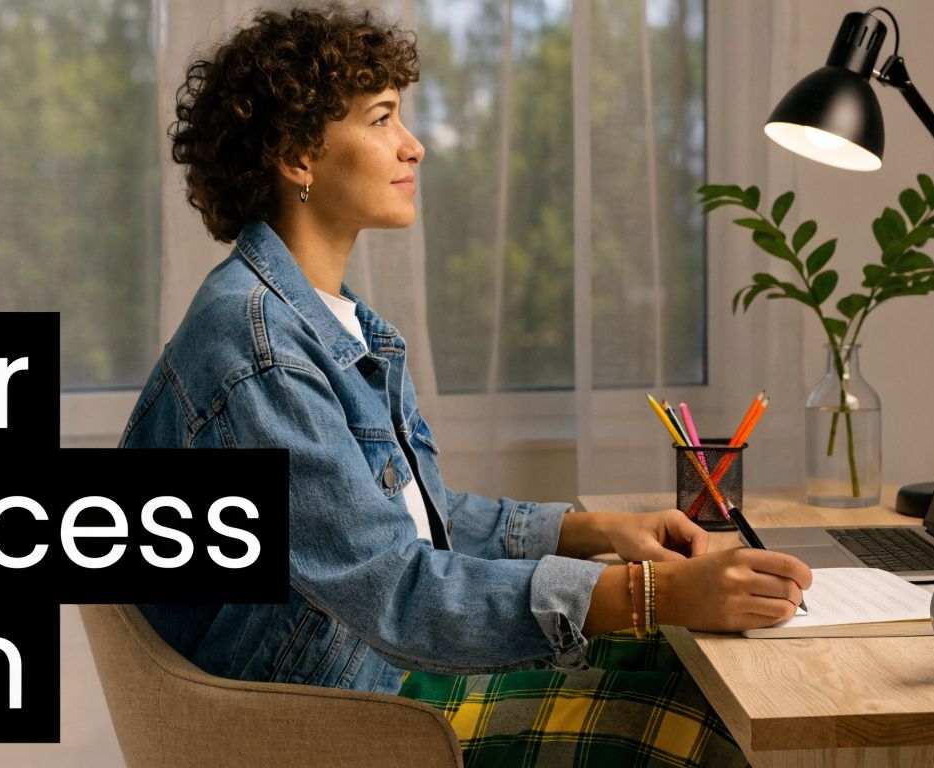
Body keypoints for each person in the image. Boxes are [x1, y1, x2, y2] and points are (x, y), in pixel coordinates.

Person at [121, 6, 812, 766]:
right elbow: (398, 590)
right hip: (328, 713)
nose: (413, 145)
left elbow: (413, 518)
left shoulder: (330, 323)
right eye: (382, 119)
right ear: (296, 155)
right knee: (685, 725)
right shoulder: (257, 347)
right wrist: (652, 593)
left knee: (676, 668)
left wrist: (600, 532)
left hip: (371, 667)